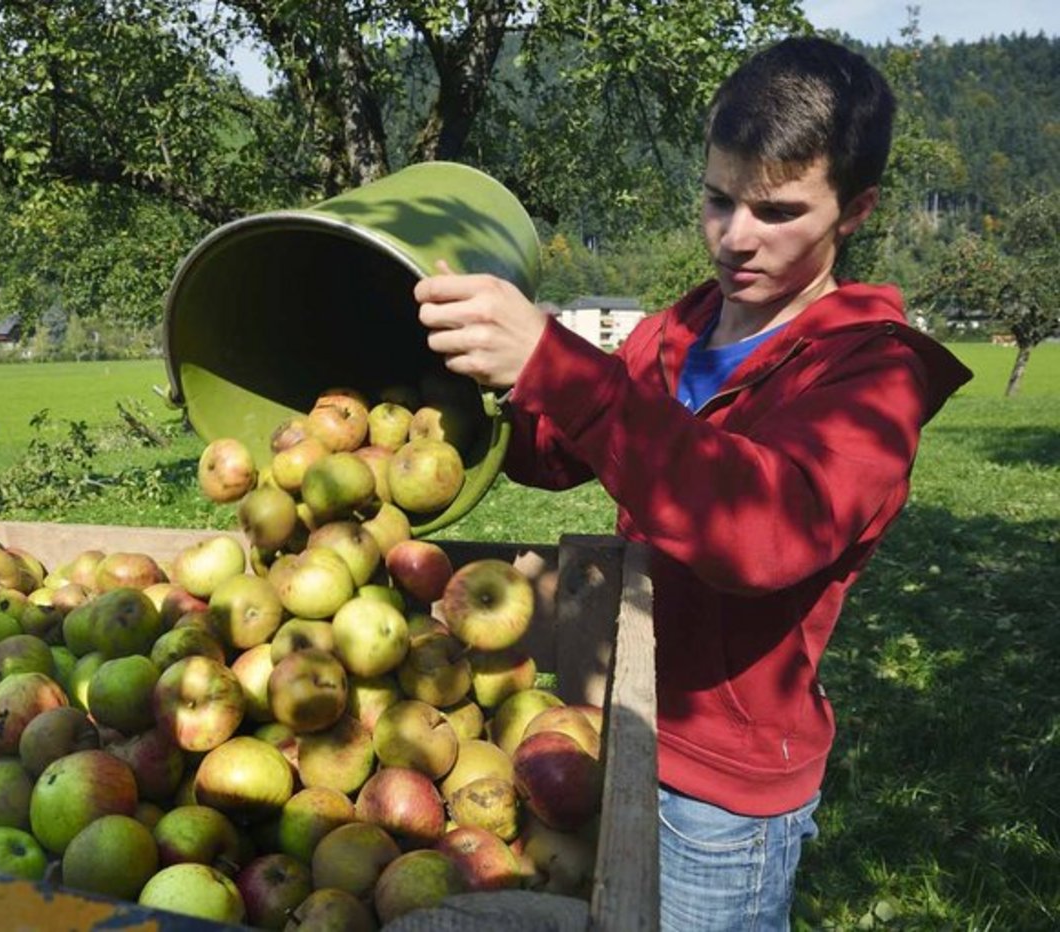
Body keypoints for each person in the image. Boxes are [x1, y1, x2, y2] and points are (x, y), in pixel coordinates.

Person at [413, 36, 972, 931]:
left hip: (723, 792)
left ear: (855, 211)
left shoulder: (872, 376)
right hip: (616, 728)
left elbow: (763, 531)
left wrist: (558, 366)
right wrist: (467, 392)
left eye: (777, 210)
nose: (733, 236)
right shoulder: (681, 330)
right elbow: (565, 447)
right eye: (717, 199)